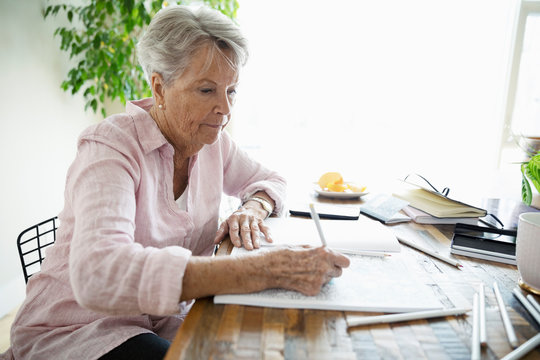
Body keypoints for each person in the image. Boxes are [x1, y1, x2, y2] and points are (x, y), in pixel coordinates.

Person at [4, 5, 350, 360]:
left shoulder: (213, 143)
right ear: (159, 87)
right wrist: (262, 270)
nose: (225, 110)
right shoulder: (109, 148)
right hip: (78, 330)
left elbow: (270, 179)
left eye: (231, 91)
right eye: (206, 90)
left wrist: (253, 208)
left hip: (159, 321)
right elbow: (99, 273)